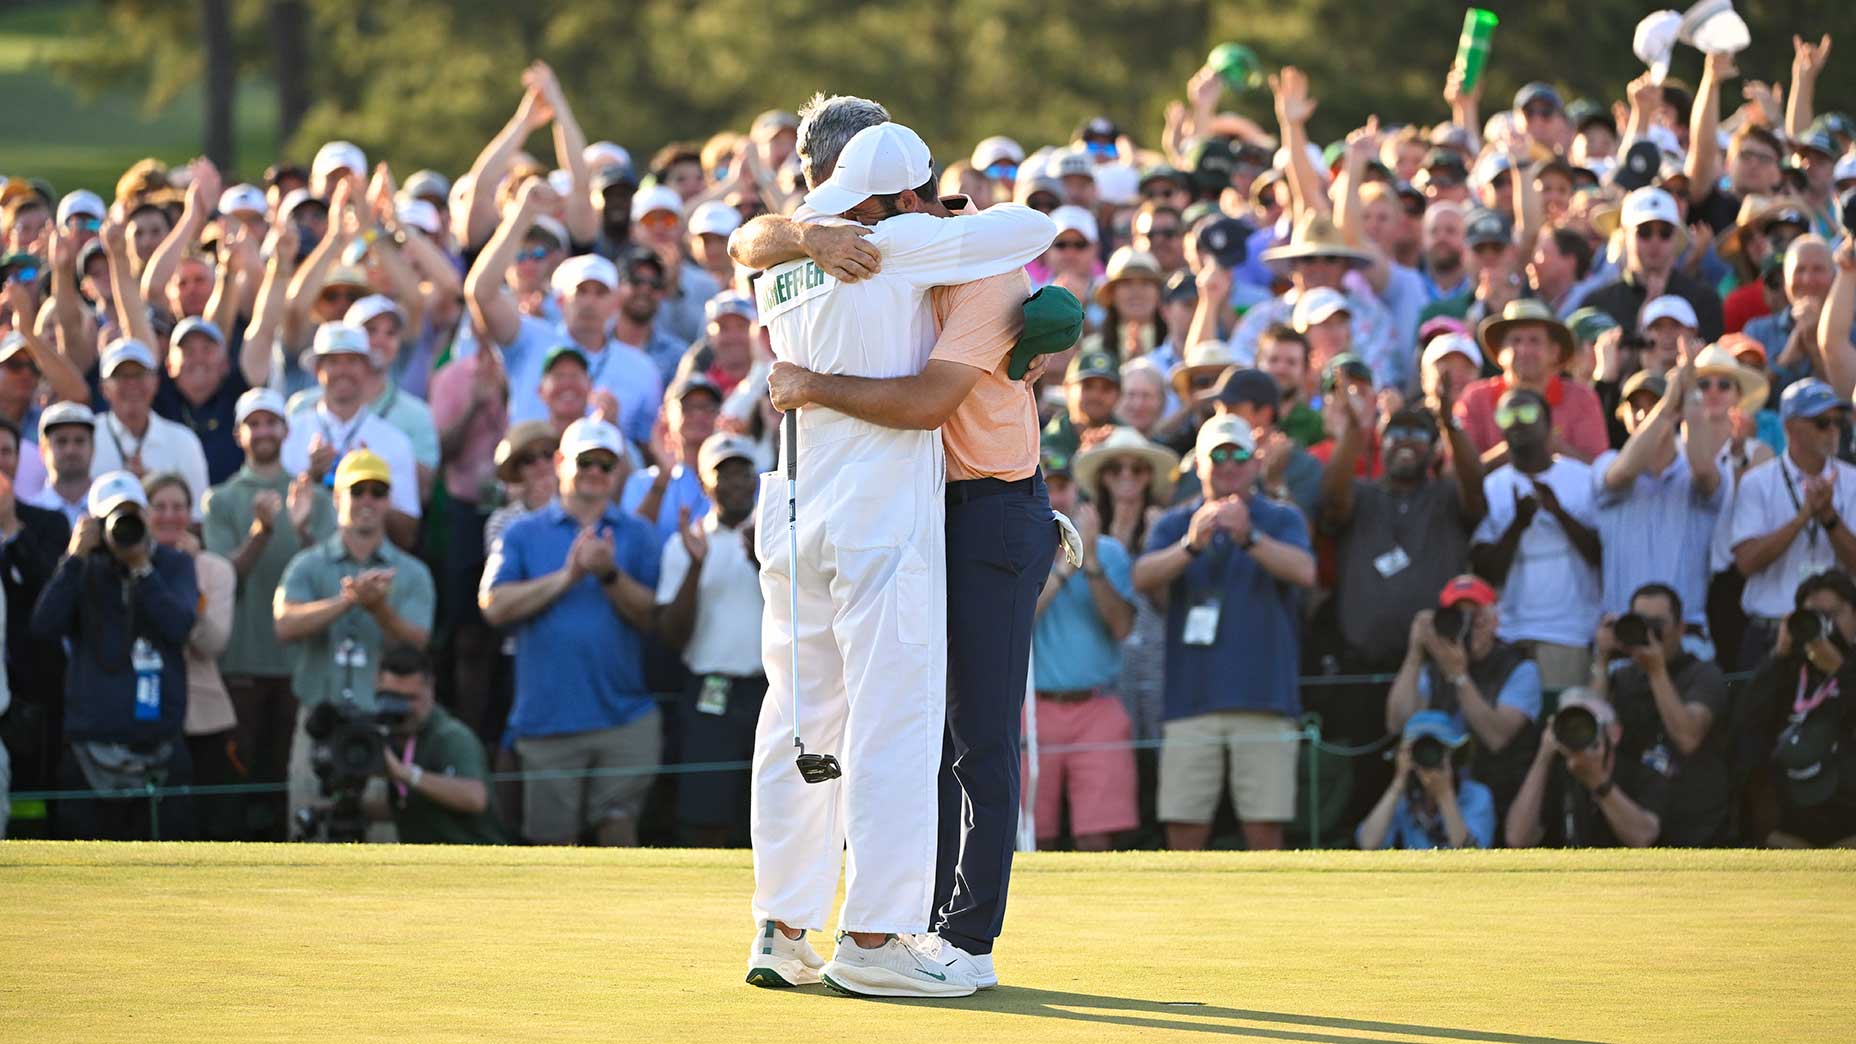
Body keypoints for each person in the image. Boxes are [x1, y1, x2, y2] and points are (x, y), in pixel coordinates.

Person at [733, 113, 1056, 997]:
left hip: (796, 511)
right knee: (895, 727)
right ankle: (874, 940)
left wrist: (803, 227)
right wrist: (940, 217)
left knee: (797, 725)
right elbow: (1037, 228)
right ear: (899, 195)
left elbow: (742, 238)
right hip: (879, 514)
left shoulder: (781, 257)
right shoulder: (903, 243)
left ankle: (781, 927)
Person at [1134, 416, 1316, 852]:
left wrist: (1249, 535)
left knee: (1264, 829)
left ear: (1256, 463)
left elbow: (1305, 571)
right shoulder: (1177, 522)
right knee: (1183, 827)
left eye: (1238, 454)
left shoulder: (1280, 517)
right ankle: (1185, 919)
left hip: (1265, 699)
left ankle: (1269, 920)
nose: (1229, 464)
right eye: (1218, 454)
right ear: (1198, 463)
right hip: (1190, 701)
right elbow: (1142, 576)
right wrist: (1191, 545)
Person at [480, 418, 662, 847]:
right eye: (586, 462)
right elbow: (493, 606)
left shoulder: (638, 534)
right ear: (561, 462)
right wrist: (568, 576)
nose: (595, 472)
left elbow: (654, 619)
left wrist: (609, 574)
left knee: (619, 835)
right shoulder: (521, 532)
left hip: (624, 720)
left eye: (606, 464)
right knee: (552, 851)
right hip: (548, 722)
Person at [31, 472, 197, 840]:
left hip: (161, 744)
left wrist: (143, 569)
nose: (125, 525)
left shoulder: (174, 564)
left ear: (146, 515)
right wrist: (74, 557)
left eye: (132, 513)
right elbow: (43, 627)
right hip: (89, 745)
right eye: (114, 517)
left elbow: (180, 627)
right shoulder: (80, 568)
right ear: (96, 522)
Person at [274, 450, 434, 830]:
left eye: (377, 492)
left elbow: (417, 643)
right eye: (357, 490)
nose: (367, 501)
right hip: (318, 722)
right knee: (307, 836)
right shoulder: (309, 565)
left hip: (381, 726)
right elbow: (284, 623)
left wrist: (380, 610)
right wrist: (346, 601)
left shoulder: (411, 573)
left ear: (389, 500)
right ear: (336, 498)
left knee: (379, 841)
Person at [201, 388, 335, 839]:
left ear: (285, 430)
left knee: (290, 784)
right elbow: (224, 579)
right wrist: (261, 533)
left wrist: (300, 525)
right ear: (239, 434)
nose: (262, 431)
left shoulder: (311, 496)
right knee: (237, 786)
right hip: (241, 664)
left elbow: (329, 577)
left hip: (297, 667)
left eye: (270, 422)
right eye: (253, 423)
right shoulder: (220, 500)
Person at [1031, 434, 1141, 851]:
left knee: (1098, 833)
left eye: (1062, 483)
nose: (1055, 493)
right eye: (1045, 483)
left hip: (1097, 703)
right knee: (1031, 830)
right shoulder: (1019, 549)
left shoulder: (1109, 551)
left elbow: (1121, 628)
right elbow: (1020, 621)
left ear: (1076, 490)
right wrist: (1063, 569)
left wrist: (1091, 562)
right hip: (1034, 708)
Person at [656, 433, 766, 847]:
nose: (736, 483)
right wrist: (695, 567)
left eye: (743, 472)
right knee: (706, 813)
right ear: (705, 484)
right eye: (724, 474)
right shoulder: (684, 545)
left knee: (767, 814)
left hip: (770, 691)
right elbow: (671, 634)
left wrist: (763, 562)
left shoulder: (777, 540)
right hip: (711, 692)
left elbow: (806, 616)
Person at [1470, 387, 1604, 690]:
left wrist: (1560, 514)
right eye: (1507, 415)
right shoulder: (1491, 486)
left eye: (1527, 413)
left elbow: (1603, 554)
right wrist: (1517, 525)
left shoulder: (1583, 479)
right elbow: (1484, 572)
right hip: (1508, 637)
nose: (1517, 422)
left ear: (1548, 423)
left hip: (1570, 634)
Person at [1385, 574, 1544, 817]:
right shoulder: (1436, 666)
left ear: (1494, 621)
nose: (1468, 630)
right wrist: (1415, 653)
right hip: (1438, 793)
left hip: (1499, 796)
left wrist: (1459, 677)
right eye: (1459, 618)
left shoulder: (1520, 668)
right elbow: (1397, 723)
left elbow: (1496, 737)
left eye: (1476, 618)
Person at [1594, 362, 1727, 649]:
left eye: (1652, 403)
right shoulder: (1605, 465)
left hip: (1685, 640)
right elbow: (1624, 472)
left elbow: (1705, 471)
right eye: (1635, 407)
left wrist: (1689, 394)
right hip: (1622, 636)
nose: (1643, 414)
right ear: (1621, 416)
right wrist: (1667, 405)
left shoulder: (1696, 471)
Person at [1590, 582, 1732, 846]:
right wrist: (1601, 659)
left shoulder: (1704, 674)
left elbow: (1687, 738)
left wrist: (1656, 671)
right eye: (1640, 623)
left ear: (1680, 629)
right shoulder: (1623, 677)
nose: (1649, 634)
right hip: (1636, 818)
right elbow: (1591, 735)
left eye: (1657, 625)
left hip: (1693, 824)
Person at [1728, 379, 1856, 671]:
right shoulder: (1757, 483)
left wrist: (1828, 518)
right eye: (1822, 422)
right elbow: (1746, 562)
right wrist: (1801, 519)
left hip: (1837, 632)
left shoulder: (1853, 481)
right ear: (1790, 427)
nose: (1833, 431)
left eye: (1838, 422)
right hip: (1771, 631)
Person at [141, 471, 239, 840]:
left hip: (203, 718)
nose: (170, 515)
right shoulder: (130, 565)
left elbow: (213, 642)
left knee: (208, 827)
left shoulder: (215, 570)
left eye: (179, 507)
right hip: (144, 710)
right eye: (160, 506)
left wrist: (188, 579)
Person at [278, 323, 421, 547]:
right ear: (317, 370)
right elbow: (275, 520)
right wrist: (310, 477)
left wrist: (371, 484)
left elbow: (407, 534)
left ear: (366, 369)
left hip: (369, 565)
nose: (343, 371)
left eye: (352, 361)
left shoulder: (395, 441)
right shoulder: (289, 433)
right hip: (302, 562)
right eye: (334, 362)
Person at [1743, 570, 1856, 847]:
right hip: (1790, 825)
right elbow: (1745, 729)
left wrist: (1841, 672)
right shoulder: (1786, 672)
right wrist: (1778, 656)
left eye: (1833, 615)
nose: (1825, 626)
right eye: (1815, 617)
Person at [364, 642, 507, 845]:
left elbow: (475, 798)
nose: (401, 708)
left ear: (430, 688)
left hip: (472, 857)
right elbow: (413, 804)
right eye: (392, 697)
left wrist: (404, 773)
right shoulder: (389, 734)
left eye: (411, 698)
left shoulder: (451, 736)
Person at [0, 415, 70, 805]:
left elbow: (51, 595)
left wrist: (11, 529)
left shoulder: (48, 522)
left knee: (31, 805)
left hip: (32, 692)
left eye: (6, 451)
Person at [1504, 687, 1667, 848]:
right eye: (1570, 727)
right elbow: (1517, 839)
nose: (1577, 734)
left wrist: (1597, 781)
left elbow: (1643, 838)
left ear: (1614, 733)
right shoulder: (1556, 774)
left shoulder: (1643, 774)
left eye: (1586, 724)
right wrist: (1543, 757)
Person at [1454, 300, 1609, 466]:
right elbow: (1459, 472)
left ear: (1554, 352)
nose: (1524, 350)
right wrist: (1513, 448)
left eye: (1534, 341)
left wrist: (1548, 444)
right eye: (1516, 341)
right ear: (1500, 352)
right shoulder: (1476, 398)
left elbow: (1598, 470)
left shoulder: (1581, 399)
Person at [1582, 187, 1724, 342]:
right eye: (1644, 232)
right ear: (1624, 235)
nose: (1655, 242)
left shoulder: (1704, 300)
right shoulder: (1599, 303)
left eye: (1665, 232)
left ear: (1675, 238)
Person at [89, 338, 211, 511]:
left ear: (156, 382)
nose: (132, 384)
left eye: (139, 374)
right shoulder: (86, 437)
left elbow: (198, 516)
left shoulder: (183, 441)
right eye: (121, 376)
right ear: (103, 388)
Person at [1355, 710, 1497, 850]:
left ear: (1453, 756)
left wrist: (1445, 795)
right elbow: (1368, 844)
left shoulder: (1477, 796)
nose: (1428, 757)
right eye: (1419, 750)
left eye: (1437, 749)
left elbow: (1471, 854)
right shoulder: (1403, 800)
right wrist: (1398, 782)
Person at [621, 374, 721, 546]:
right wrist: (664, 474)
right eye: (687, 407)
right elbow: (631, 544)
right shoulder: (641, 483)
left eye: (707, 407)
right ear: (665, 416)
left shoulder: (740, 473)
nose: (699, 415)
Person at [24, 401, 96, 525]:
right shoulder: (27, 517)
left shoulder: (110, 508)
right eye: (61, 441)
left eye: (79, 441)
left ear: (93, 448)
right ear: (43, 450)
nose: (71, 450)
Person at [1042, 349, 1121, 459]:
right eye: (1087, 386)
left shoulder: (1129, 440)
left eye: (1106, 388)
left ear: (1119, 394)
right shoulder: (1044, 446)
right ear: (1067, 389)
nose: (1096, 395)